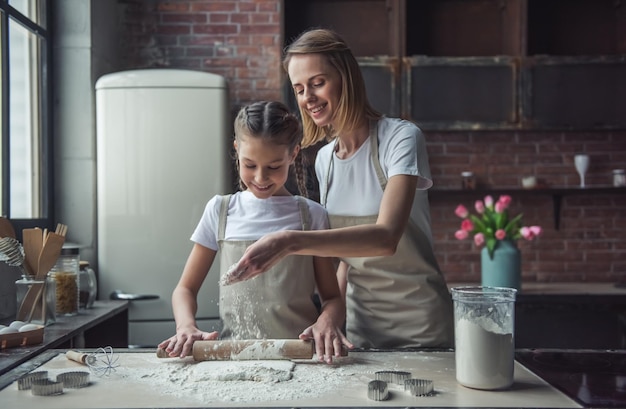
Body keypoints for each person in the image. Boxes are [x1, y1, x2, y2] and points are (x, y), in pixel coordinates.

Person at [225, 28, 454, 349]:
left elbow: (386, 238)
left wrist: (288, 242)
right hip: (362, 329)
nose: (308, 98)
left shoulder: (400, 139)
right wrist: (330, 316)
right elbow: (348, 258)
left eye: (318, 83)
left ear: (346, 77)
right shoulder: (325, 161)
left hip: (421, 324)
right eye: (300, 89)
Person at [158, 100, 351, 362]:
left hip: (300, 358)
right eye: (250, 165)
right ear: (237, 150)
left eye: (273, 167)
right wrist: (186, 326)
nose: (260, 178)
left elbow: (332, 298)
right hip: (233, 359)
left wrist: (327, 321)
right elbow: (185, 289)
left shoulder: (311, 216)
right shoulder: (221, 210)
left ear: (293, 154)